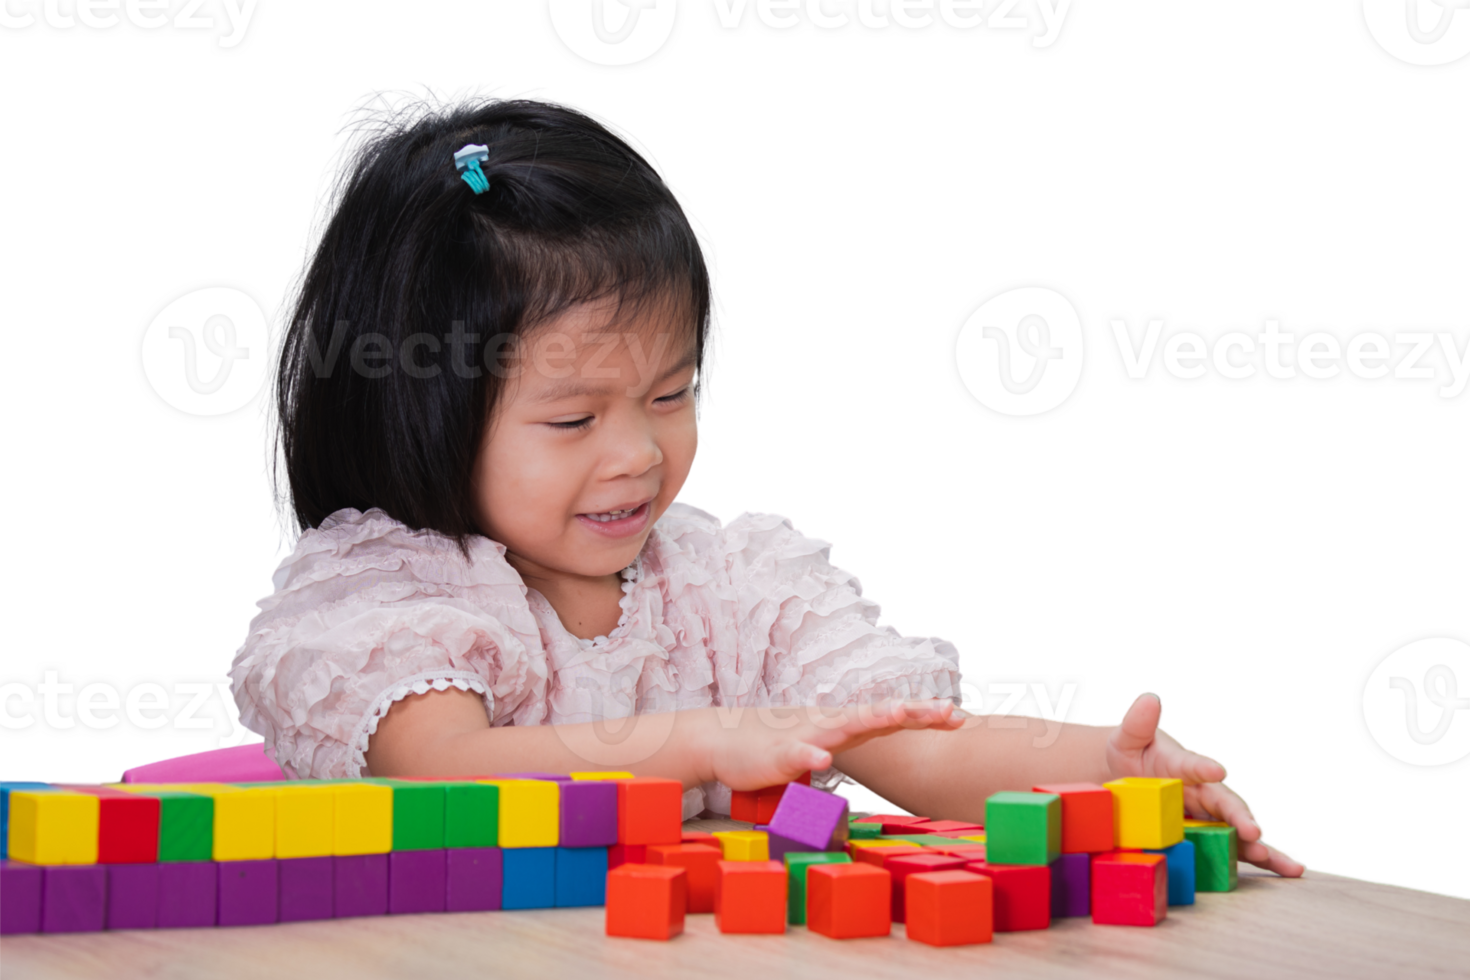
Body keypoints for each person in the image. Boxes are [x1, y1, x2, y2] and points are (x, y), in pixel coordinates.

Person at [228, 83, 1303, 877]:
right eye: (572, 416)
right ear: (415, 401)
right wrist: (698, 741)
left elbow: (902, 742)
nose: (639, 455)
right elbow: (443, 770)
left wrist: (1109, 771)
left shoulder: (735, 580)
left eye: (670, 394)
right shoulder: (386, 587)